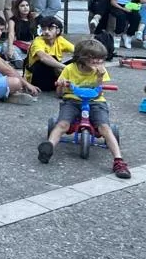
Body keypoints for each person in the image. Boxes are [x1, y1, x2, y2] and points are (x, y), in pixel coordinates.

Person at [37, 39, 130, 178]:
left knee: (105, 127)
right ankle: (49, 147)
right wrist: (61, 85)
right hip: (72, 101)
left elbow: (98, 92)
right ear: (83, 57)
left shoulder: (100, 71)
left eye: (100, 59)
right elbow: (59, 95)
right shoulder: (69, 69)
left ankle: (118, 160)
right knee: (62, 124)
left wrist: (99, 77)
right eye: (94, 59)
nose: (98, 62)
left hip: (96, 102)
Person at [26, 14, 76, 93]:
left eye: (50, 29)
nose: (46, 32)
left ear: (58, 30)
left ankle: (77, 80)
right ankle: (67, 82)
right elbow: (43, 58)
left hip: (54, 75)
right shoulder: (38, 41)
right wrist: (66, 68)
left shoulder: (60, 39)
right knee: (50, 59)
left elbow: (78, 50)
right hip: (38, 78)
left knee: (79, 59)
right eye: (44, 29)